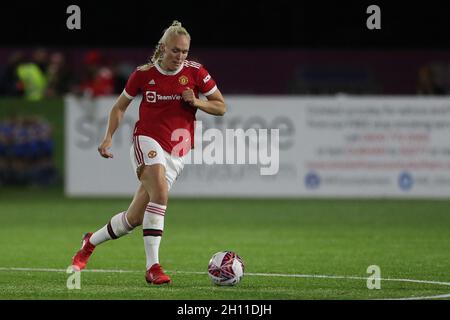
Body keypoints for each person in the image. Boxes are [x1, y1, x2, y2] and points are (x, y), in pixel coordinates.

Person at [71, 20, 226, 285]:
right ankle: (153, 266)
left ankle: (89, 242)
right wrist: (108, 137)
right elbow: (120, 107)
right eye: (175, 50)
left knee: (133, 219)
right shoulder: (143, 74)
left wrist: (196, 101)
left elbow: (220, 107)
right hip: (147, 141)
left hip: (177, 152)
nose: (180, 56)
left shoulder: (197, 72)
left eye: (185, 51)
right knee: (161, 194)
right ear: (163, 47)